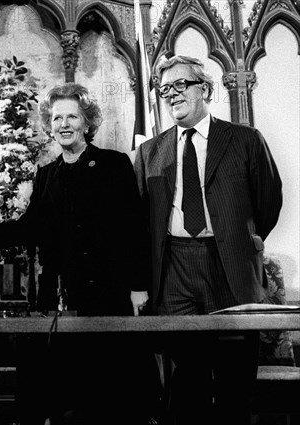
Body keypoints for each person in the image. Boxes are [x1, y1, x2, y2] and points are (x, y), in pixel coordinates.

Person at [0, 83, 160, 425]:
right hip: (62, 297)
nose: (64, 124)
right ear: (49, 124)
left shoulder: (113, 164)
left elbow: (135, 228)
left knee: (111, 397)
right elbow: (28, 228)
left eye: (72, 116)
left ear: (87, 123)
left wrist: (139, 286)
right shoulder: (48, 174)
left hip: (109, 294)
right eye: (57, 117)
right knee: (63, 395)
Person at [134, 55, 283, 425]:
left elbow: (269, 201)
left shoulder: (245, 140)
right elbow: (140, 221)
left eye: (180, 85)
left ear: (205, 89)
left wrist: (237, 241)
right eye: (165, 89)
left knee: (235, 381)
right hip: (174, 272)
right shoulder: (149, 151)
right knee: (187, 384)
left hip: (229, 266)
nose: (172, 95)